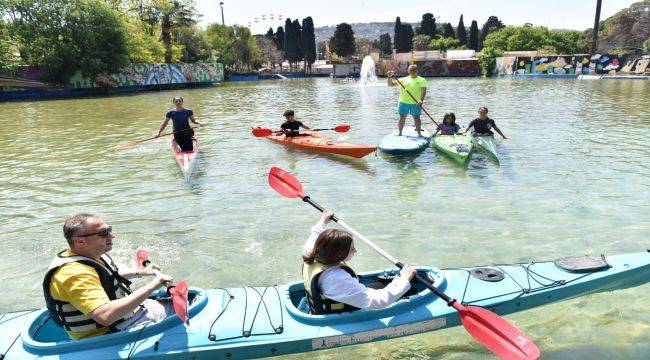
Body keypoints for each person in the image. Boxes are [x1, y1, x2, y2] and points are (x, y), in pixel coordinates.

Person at [43, 214, 175, 340]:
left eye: (109, 230)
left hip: (127, 317)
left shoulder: (89, 254)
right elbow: (105, 316)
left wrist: (139, 272)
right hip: (111, 332)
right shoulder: (74, 274)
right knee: (185, 313)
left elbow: (108, 277)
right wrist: (152, 286)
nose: (112, 236)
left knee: (185, 300)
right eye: (103, 233)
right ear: (80, 241)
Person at [302, 211, 417, 315]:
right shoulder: (336, 277)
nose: (355, 251)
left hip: (332, 296)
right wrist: (404, 280)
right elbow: (378, 301)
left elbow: (314, 237)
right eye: (352, 249)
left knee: (383, 283)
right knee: (410, 290)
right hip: (340, 312)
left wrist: (323, 221)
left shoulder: (311, 253)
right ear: (339, 255)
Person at [386, 65, 428, 137]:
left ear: (417, 71)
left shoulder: (422, 80)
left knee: (416, 117)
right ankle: (400, 133)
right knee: (402, 117)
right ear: (408, 71)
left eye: (414, 70)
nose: (412, 71)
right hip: (403, 102)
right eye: (411, 70)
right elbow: (390, 85)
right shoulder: (403, 79)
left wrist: (421, 100)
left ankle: (419, 133)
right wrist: (389, 77)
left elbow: (423, 91)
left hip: (416, 103)